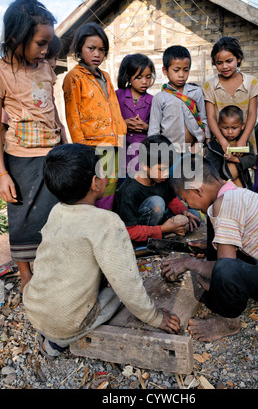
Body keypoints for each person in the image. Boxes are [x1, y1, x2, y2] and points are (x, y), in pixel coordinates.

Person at [23, 143, 180, 358]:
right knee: (120, 289)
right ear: (95, 183)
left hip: (34, 309)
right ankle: (57, 343)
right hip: (64, 323)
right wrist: (154, 317)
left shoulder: (56, 211)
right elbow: (127, 284)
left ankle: (52, 331)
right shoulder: (106, 221)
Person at [161, 154, 258, 342]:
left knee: (226, 269)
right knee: (214, 225)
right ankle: (219, 287)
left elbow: (227, 266)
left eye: (186, 200)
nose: (187, 205)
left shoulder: (225, 204)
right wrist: (213, 245)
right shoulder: (234, 193)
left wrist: (189, 263)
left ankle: (227, 322)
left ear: (197, 190)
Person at [0, 0, 66, 292]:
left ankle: (53, 269)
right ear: (16, 37)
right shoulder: (2, 73)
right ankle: (26, 275)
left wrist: (64, 143)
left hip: (52, 152)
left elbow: (52, 109)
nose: (45, 50)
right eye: (40, 43)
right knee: (23, 215)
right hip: (21, 157)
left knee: (54, 214)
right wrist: (2, 175)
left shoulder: (45, 68)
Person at [63, 22, 127, 211]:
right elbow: (72, 116)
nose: (97, 54)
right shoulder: (73, 77)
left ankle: (108, 226)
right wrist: (82, 150)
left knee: (112, 188)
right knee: (96, 190)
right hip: (92, 146)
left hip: (114, 143)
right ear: (79, 48)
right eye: (91, 48)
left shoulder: (105, 76)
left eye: (102, 50)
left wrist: (122, 130)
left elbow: (114, 107)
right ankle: (96, 228)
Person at [115, 135, 200, 245]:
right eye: (161, 169)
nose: (165, 173)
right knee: (157, 203)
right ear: (145, 166)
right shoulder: (130, 190)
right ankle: (151, 239)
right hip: (137, 229)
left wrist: (183, 211)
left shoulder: (161, 178)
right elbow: (129, 231)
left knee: (195, 217)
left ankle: (166, 233)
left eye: (168, 168)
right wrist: (162, 229)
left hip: (160, 220)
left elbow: (171, 199)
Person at [203, 37, 258, 154]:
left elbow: (252, 114)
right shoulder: (210, 85)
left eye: (229, 61)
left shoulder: (251, 82)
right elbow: (211, 117)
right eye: (219, 63)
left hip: (245, 141)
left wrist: (243, 139)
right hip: (219, 143)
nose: (224, 66)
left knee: (243, 169)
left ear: (238, 59)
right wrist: (222, 141)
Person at [148, 45, 210, 154]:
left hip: (194, 150)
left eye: (185, 70)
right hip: (169, 152)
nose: (181, 75)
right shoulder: (159, 98)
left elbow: (203, 120)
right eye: (176, 70)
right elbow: (154, 130)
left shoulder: (196, 92)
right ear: (165, 71)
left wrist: (200, 143)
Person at [116, 53, 155, 178]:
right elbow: (108, 121)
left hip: (142, 155)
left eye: (148, 77)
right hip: (120, 152)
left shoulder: (153, 100)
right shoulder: (117, 96)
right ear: (128, 77)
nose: (144, 82)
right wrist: (124, 124)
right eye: (139, 77)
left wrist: (145, 127)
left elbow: (157, 129)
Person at [205, 105, 256, 189]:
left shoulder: (243, 144)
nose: (230, 132)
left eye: (234, 128)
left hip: (243, 184)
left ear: (242, 126)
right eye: (225, 128)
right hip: (221, 186)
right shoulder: (213, 146)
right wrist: (220, 180)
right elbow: (211, 167)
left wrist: (235, 159)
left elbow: (252, 160)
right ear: (219, 126)